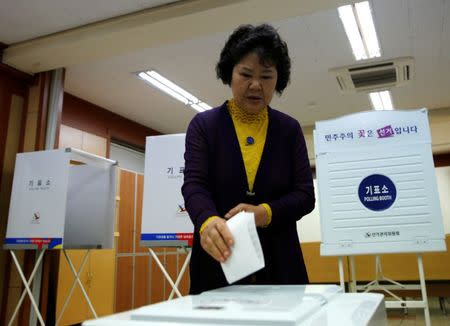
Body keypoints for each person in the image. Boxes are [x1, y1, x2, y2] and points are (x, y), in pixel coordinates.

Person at [182, 23, 315, 295]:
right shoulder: (203, 126)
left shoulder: (289, 129)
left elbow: (305, 195)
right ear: (229, 73)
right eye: (245, 74)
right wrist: (207, 221)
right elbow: (194, 186)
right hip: (218, 263)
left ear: (278, 79)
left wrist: (262, 214)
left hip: (281, 265)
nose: (256, 85)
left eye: (266, 76)